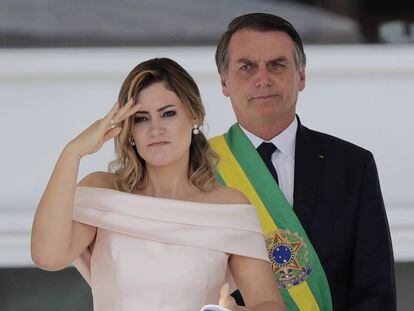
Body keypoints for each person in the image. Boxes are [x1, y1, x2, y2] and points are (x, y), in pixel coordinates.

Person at [31, 58, 286, 311]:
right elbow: (47, 256)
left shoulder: (229, 206)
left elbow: (269, 303)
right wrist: (73, 152)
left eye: (168, 114)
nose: (156, 129)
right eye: (141, 118)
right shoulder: (102, 191)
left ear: (194, 115)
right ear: (129, 130)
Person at [210, 13, 396, 311]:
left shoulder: (352, 165)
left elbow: (375, 290)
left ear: (302, 76)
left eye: (277, 65)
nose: (262, 79)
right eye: (246, 67)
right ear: (224, 82)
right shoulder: (200, 166)